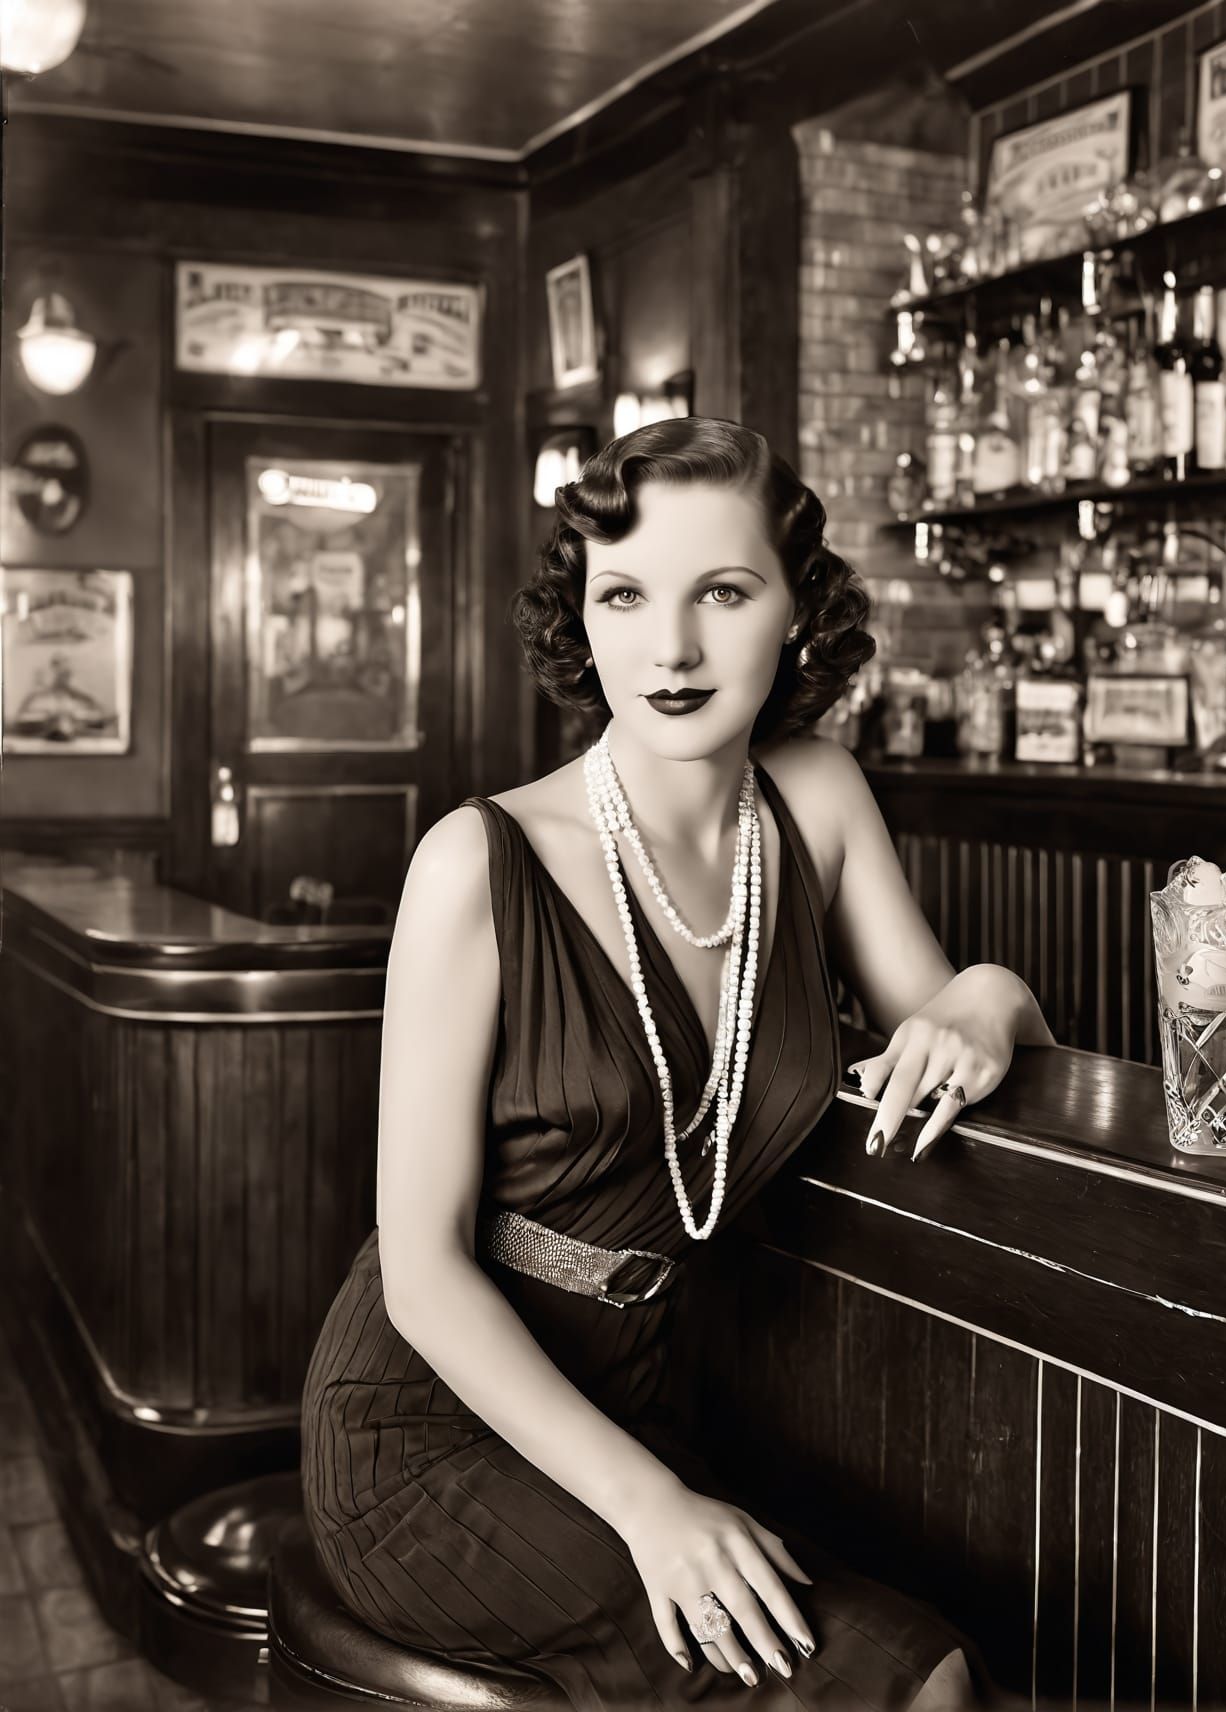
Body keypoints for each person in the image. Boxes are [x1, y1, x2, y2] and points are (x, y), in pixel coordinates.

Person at [300, 416, 1055, 1708]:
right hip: (428, 1432)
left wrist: (984, 1004)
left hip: (656, 1391)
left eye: (724, 591)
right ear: (581, 621)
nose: (674, 647)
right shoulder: (478, 864)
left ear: (797, 615)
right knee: (915, 1681)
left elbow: (961, 1008)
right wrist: (652, 1506)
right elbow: (421, 1272)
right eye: (626, 594)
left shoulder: (815, 800)